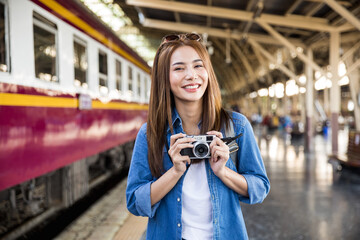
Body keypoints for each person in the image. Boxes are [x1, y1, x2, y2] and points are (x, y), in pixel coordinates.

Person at [126, 33, 270, 240]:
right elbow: (134, 201)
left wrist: (223, 172)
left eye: (198, 66)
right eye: (178, 68)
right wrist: (174, 172)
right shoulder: (151, 133)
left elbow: (260, 187)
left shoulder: (236, 126)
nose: (191, 75)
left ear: (208, 72)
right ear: (163, 77)